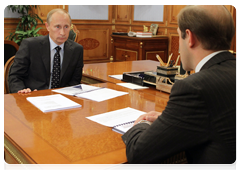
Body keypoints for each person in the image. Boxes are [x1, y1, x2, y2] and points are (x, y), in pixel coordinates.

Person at [122, 5, 237, 170]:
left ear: (189, 37)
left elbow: (138, 152)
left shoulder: (194, 88)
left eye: (179, 36)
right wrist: (172, 119)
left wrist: (143, 124)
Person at [9, 8, 84, 93]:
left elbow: (75, 81)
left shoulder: (77, 50)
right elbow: (15, 76)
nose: (62, 32)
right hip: (33, 96)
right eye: (57, 27)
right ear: (47, 26)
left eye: (66, 27)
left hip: (63, 99)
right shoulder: (30, 45)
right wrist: (21, 91)